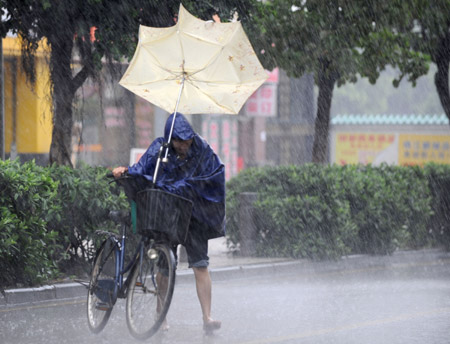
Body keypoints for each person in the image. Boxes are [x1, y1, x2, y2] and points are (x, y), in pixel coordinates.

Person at [112, 112, 225, 333]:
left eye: (187, 140)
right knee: (163, 268)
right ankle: (160, 315)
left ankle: (207, 317)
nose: (184, 145)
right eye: (179, 141)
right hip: (168, 213)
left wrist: (186, 187)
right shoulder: (160, 149)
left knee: (200, 265)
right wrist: (126, 171)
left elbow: (213, 177)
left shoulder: (202, 150)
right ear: (170, 138)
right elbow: (142, 168)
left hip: (194, 217)